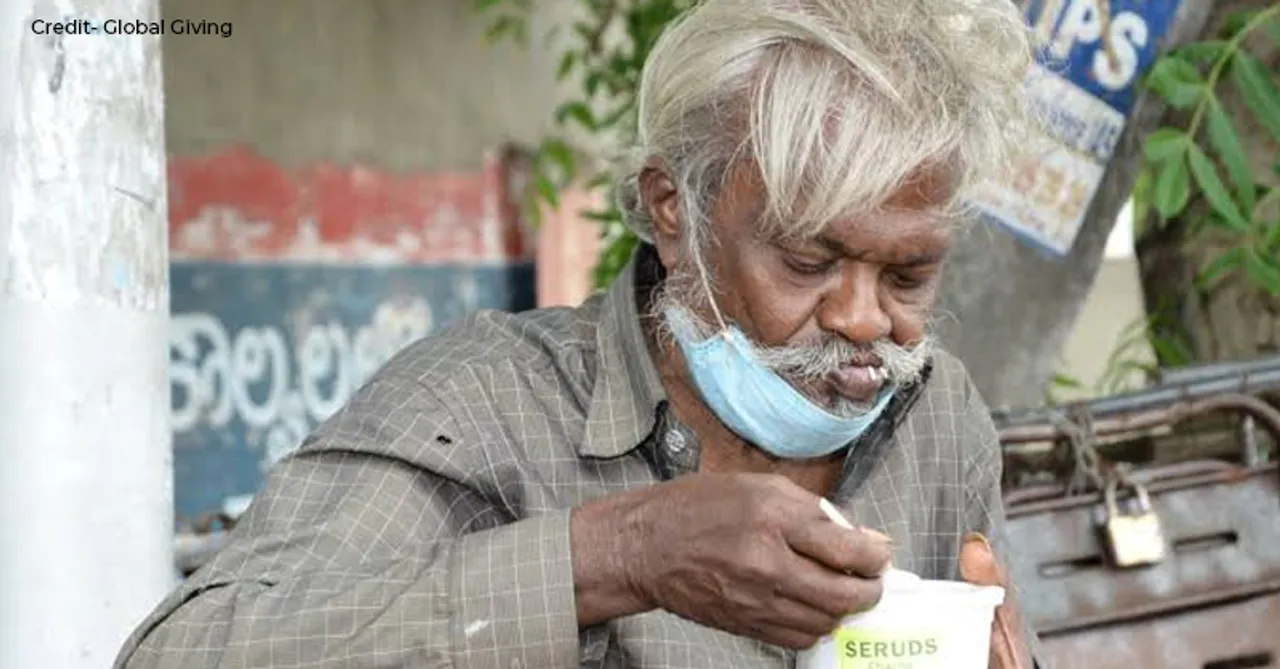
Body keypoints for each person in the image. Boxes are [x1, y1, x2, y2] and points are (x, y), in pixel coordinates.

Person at [116, 0, 1043, 666]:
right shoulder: (482, 403)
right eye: (806, 262)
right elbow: (183, 653)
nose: (862, 320)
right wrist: (620, 554)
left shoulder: (937, 411)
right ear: (673, 209)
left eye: (909, 275)